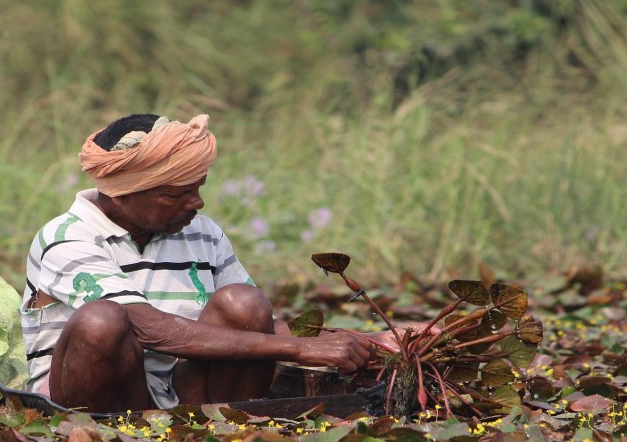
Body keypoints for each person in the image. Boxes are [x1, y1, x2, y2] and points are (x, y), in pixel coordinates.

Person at [21, 113, 390, 413]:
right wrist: (299, 349)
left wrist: (372, 341)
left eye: (198, 188)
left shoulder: (203, 232)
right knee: (102, 320)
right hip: (91, 402)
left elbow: (262, 327)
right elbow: (148, 328)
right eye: (176, 193)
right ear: (121, 194)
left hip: (179, 395)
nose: (197, 203)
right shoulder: (66, 236)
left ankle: (231, 432)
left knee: (243, 302)